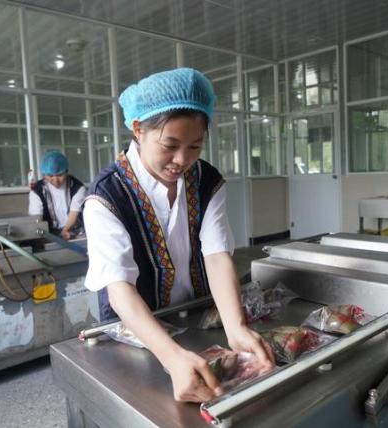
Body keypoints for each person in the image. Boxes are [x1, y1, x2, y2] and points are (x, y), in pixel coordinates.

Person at [83, 68, 275, 403]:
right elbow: (119, 287)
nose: (181, 160)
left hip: (195, 315)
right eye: (170, 145)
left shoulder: (206, 180)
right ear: (138, 129)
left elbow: (216, 255)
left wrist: (234, 328)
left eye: (195, 146)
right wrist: (171, 357)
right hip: (136, 331)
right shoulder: (105, 196)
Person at [28, 150, 86, 240]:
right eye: (50, 176)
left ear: (66, 171)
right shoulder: (37, 191)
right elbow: (36, 219)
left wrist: (65, 231)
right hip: (48, 234)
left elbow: (74, 213)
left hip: (74, 232)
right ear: (44, 174)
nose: (55, 180)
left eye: (59, 175)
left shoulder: (77, 188)